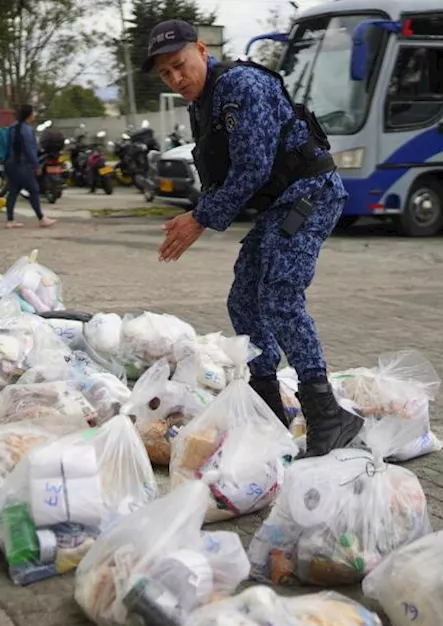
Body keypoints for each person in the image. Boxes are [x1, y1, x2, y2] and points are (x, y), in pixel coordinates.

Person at [144, 19, 362, 459]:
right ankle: (267, 407)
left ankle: (326, 413)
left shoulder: (242, 85)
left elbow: (253, 167)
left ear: (202, 51)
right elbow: (219, 171)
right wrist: (199, 213)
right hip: (280, 204)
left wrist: (199, 220)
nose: (176, 78)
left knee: (280, 296)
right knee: (244, 299)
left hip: (309, 195)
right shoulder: (203, 102)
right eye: (166, 74)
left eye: (180, 66)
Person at [4, 104, 55, 229]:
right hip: (22, 164)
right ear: (29, 115)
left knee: (13, 191)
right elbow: (29, 150)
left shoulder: (12, 127)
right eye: (33, 113)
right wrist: (36, 166)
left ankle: (10, 220)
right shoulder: (26, 130)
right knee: (34, 189)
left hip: (10, 163)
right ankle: (41, 218)